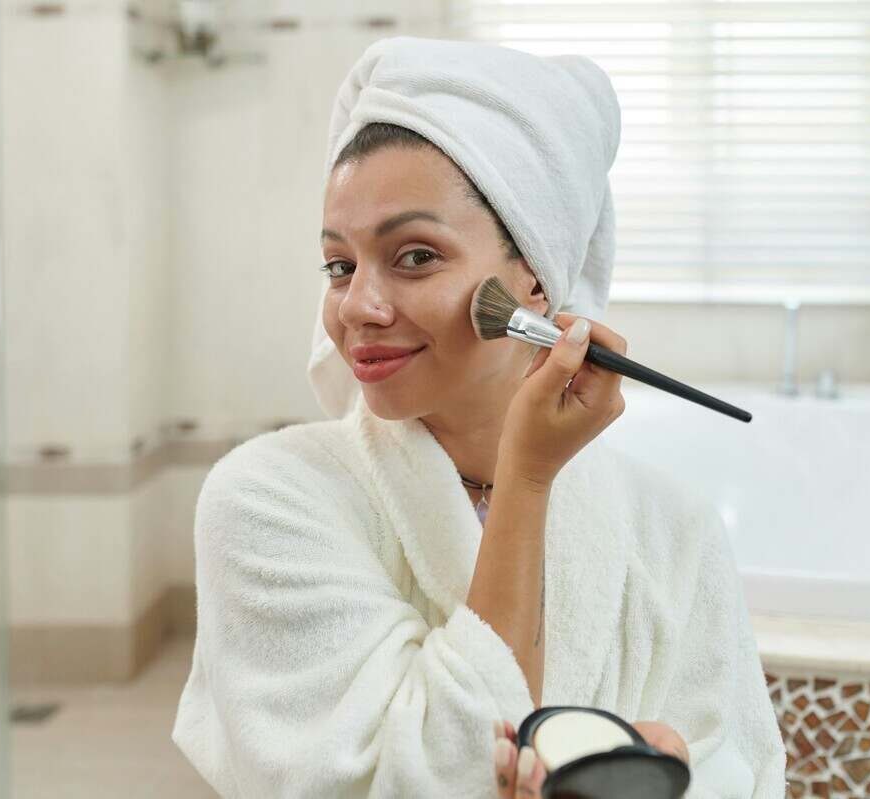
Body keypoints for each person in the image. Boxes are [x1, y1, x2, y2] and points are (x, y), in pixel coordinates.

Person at [171, 36, 787, 799]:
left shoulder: (675, 529)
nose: (358, 305)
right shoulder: (266, 498)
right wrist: (525, 481)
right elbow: (401, 779)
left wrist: (668, 779)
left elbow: (742, 768)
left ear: (533, 279)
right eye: (339, 264)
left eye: (414, 256)